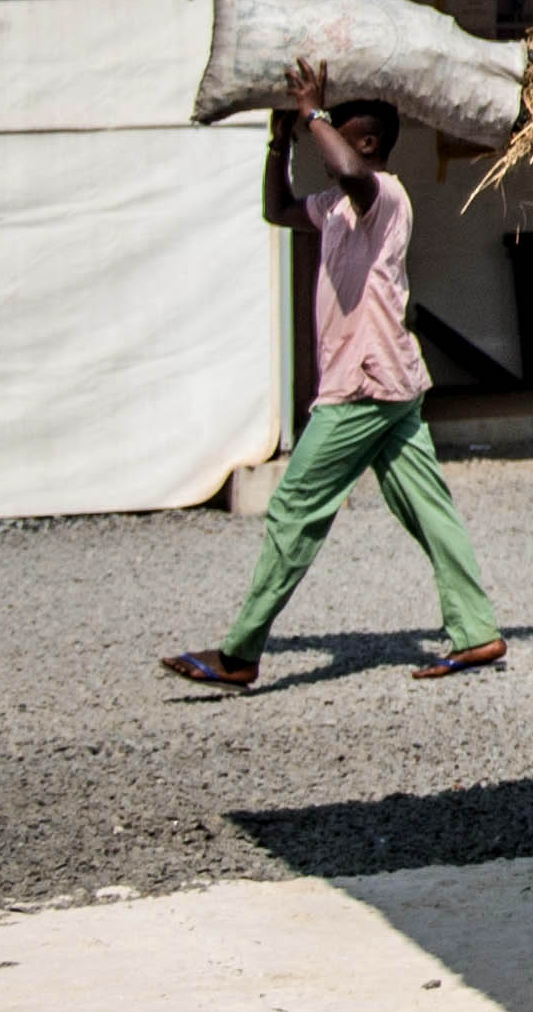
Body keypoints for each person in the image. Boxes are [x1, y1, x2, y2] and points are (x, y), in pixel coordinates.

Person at [166, 58, 504, 690]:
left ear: (365, 142)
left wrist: (315, 111)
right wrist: (278, 140)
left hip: (364, 385)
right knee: (428, 509)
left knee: (295, 506)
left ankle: (240, 653)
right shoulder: (333, 207)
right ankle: (477, 632)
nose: (323, 145)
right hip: (393, 384)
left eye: (334, 134)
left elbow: (351, 170)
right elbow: (277, 210)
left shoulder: (383, 194)